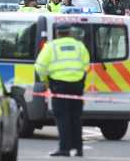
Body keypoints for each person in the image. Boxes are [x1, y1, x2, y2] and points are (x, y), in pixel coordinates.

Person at [35, 23, 90, 157]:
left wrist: (46, 82)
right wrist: (80, 79)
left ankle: (64, 149)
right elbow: (86, 65)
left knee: (62, 118)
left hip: (59, 87)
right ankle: (79, 149)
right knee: (76, 118)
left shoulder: (51, 47)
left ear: (57, 33)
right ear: (70, 32)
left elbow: (40, 67)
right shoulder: (79, 46)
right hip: (77, 86)